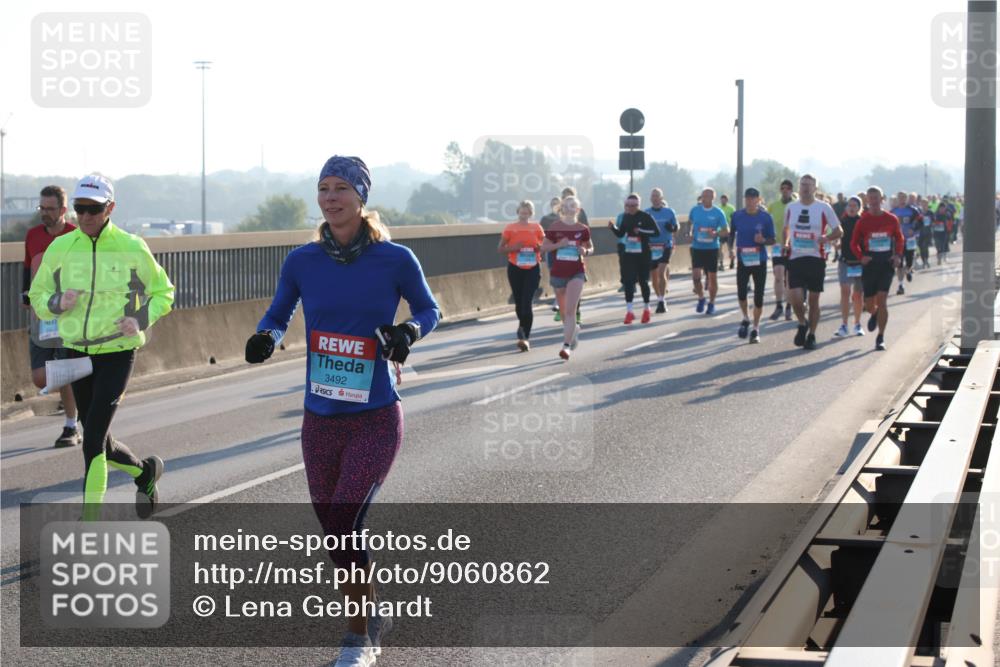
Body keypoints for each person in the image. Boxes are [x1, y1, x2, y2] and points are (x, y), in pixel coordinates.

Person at [247, 156, 440, 665]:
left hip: (375, 415)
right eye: (323, 188)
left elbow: (429, 309)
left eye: (340, 189)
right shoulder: (302, 261)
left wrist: (407, 332)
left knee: (343, 523)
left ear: (360, 197)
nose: (330, 198)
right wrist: (266, 336)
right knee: (336, 534)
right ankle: (372, 612)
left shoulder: (395, 258)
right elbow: (279, 312)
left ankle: (359, 640)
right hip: (320, 419)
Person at [29, 174, 173, 520]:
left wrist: (139, 318)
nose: (85, 216)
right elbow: (37, 295)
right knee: (100, 439)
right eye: (80, 208)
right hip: (76, 353)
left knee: (92, 440)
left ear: (110, 208)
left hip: (117, 352)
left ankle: (89, 521)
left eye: (93, 209)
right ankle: (144, 472)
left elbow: (163, 293)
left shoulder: (131, 246)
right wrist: (57, 302)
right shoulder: (61, 247)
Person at [22, 185, 80, 448]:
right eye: (41, 208)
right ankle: (81, 388)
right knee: (40, 377)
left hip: (69, 317)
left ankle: (71, 425)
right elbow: (28, 268)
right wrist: (26, 295)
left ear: (63, 209)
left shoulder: (75, 236)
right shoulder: (32, 235)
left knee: (63, 371)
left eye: (49, 208)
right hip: (41, 316)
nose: (44, 213)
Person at [784, 174, 843, 350]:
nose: (805, 187)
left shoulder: (824, 207)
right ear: (799, 187)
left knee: (813, 301)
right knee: (795, 299)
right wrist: (785, 243)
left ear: (815, 188)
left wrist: (826, 238)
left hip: (816, 258)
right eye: (803, 184)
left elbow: (839, 231)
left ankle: (811, 335)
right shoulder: (791, 207)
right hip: (795, 257)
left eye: (809, 185)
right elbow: (786, 229)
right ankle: (802, 323)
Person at [851, 186, 904, 351]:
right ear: (867, 200)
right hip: (870, 263)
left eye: (876, 198)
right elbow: (853, 243)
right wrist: (861, 257)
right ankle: (874, 314)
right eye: (871, 198)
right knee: (869, 304)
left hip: (886, 263)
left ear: (882, 199)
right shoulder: (863, 221)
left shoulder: (891, 219)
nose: (873, 201)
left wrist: (897, 255)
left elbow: (899, 238)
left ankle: (880, 337)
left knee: (882, 300)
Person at [540, 195, 592, 360]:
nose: (570, 209)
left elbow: (590, 247)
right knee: (563, 312)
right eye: (567, 206)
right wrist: (558, 245)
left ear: (578, 209)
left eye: (573, 206)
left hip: (577, 272)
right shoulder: (555, 227)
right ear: (562, 209)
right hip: (558, 273)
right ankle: (573, 331)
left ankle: (566, 346)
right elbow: (543, 248)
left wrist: (586, 251)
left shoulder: (583, 229)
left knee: (570, 310)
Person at [731, 188, 775, 344]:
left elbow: (772, 239)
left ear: (758, 200)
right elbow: (731, 234)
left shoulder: (765, 217)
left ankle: (756, 329)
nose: (749, 201)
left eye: (753, 198)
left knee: (758, 296)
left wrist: (763, 240)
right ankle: (745, 317)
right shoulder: (737, 216)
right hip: (743, 260)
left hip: (759, 260)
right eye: (747, 198)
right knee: (742, 293)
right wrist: (730, 249)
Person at [499, 201, 544, 351]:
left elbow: (544, 246)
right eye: (522, 212)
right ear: (518, 212)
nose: (524, 215)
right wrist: (514, 247)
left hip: (533, 268)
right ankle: (522, 327)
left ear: (531, 214)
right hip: (515, 268)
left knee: (527, 302)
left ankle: (525, 337)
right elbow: (500, 248)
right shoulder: (510, 228)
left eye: (527, 213)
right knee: (519, 302)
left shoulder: (536, 228)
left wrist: (539, 248)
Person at [608, 193, 658, 324]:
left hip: (643, 254)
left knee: (643, 281)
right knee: (628, 282)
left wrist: (641, 231)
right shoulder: (625, 217)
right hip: (629, 253)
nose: (630, 208)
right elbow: (621, 233)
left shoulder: (646, 216)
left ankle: (646, 308)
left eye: (633, 205)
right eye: (628, 205)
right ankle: (629, 311)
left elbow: (656, 232)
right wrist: (613, 228)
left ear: (638, 205)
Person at [688, 187, 730, 315]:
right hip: (697, 247)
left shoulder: (718, 212)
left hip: (712, 248)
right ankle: (701, 298)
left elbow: (726, 230)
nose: (705, 198)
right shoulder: (695, 210)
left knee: (712, 278)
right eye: (703, 196)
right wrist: (689, 233)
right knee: (696, 276)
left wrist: (716, 234)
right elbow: (689, 223)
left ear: (713, 198)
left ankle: (711, 303)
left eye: (708, 196)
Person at [834, 196, 866, 337]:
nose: (851, 208)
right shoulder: (842, 221)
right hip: (845, 261)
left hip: (859, 262)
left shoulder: (863, 222)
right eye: (849, 205)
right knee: (845, 291)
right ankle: (844, 324)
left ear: (859, 207)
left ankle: (857, 324)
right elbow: (837, 236)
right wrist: (836, 243)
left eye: (854, 205)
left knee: (858, 294)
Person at [645, 187, 679, 313]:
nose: (655, 198)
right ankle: (659, 298)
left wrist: (673, 228)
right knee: (654, 277)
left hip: (665, 245)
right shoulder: (646, 213)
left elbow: (677, 226)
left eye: (657, 196)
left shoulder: (669, 212)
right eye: (653, 196)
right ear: (650, 198)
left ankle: (662, 300)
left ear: (661, 198)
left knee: (661, 272)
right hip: (651, 247)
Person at [768, 178, 795, 321]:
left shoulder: (796, 205)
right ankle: (779, 306)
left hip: (792, 246)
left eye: (788, 188)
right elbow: (767, 222)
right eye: (783, 188)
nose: (785, 191)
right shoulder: (773, 206)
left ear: (791, 190)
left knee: (789, 279)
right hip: (778, 245)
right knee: (778, 276)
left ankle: (789, 307)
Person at [890, 191, 920, 294]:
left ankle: (908, 271)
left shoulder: (913, 210)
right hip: (898, 241)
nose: (902, 199)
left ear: (906, 199)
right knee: (899, 263)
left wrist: (913, 229)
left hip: (909, 240)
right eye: (900, 197)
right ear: (897, 199)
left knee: (909, 262)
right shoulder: (893, 211)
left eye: (903, 197)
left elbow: (920, 221)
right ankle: (900, 285)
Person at [932, 198, 953, 264]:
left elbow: (950, 222)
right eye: (941, 208)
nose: (942, 209)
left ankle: (941, 258)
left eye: (943, 208)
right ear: (939, 208)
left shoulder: (947, 214)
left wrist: (949, 230)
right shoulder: (935, 214)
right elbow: (932, 222)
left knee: (943, 245)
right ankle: (939, 256)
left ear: (945, 208)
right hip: (936, 233)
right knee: (937, 245)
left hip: (945, 233)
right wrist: (936, 223)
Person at [719, 193, 736, 270]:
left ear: (727, 200)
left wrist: (733, 229)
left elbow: (734, 219)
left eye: (724, 200)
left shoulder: (731, 208)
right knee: (719, 248)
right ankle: (721, 263)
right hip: (720, 231)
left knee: (730, 248)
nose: (723, 201)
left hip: (729, 231)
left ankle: (732, 261)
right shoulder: (719, 208)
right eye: (722, 200)